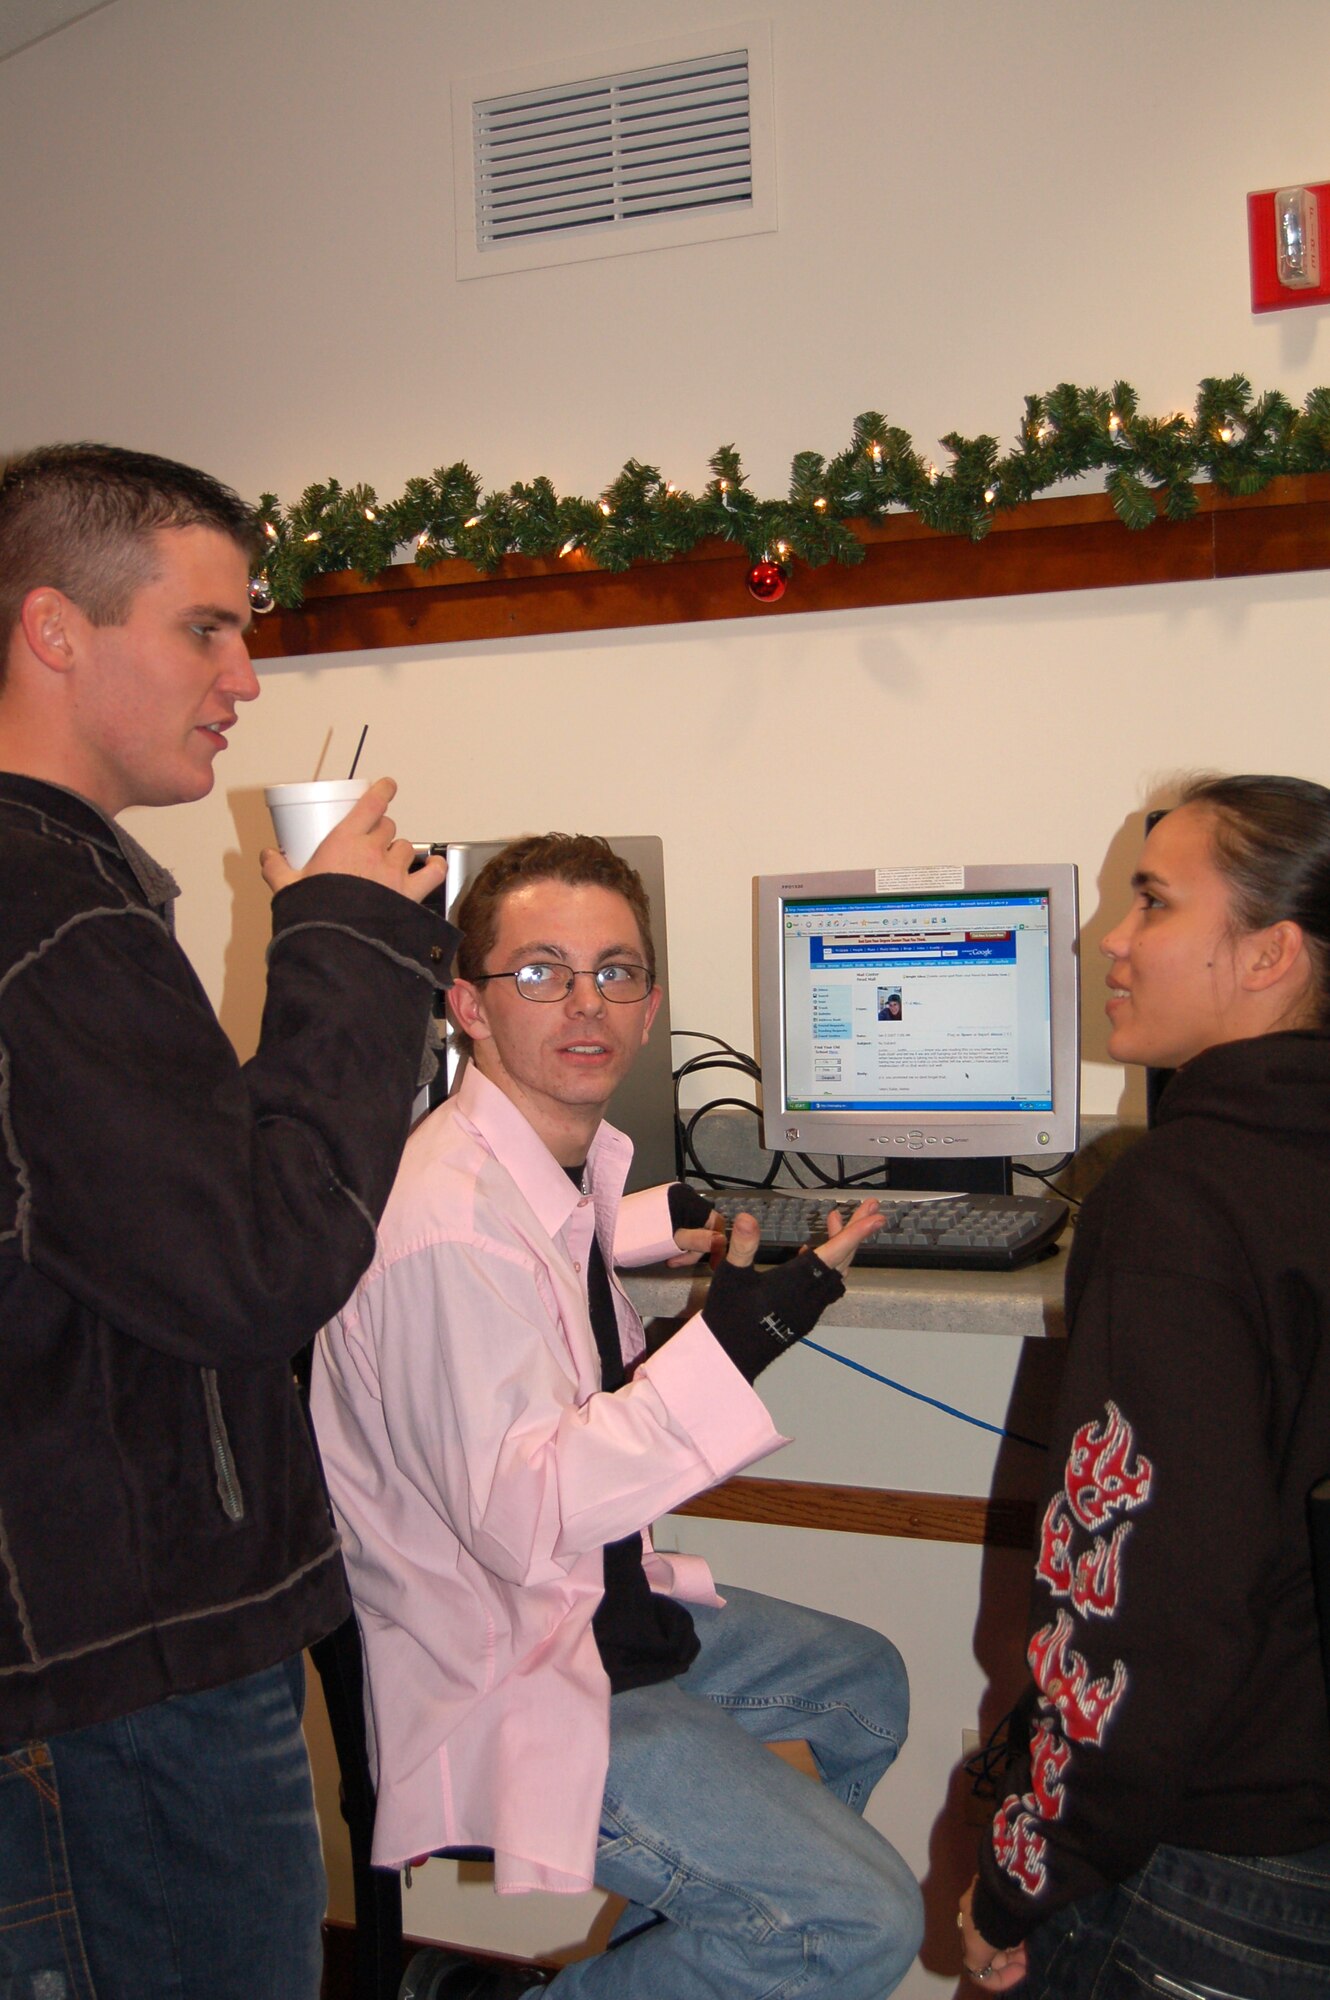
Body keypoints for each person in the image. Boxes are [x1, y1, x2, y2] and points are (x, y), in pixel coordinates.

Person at [312, 833, 925, 2000]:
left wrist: (661, 1218)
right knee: (863, 1920)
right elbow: (527, 1509)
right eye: (539, 972)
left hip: (594, 1604)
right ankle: (768, 1942)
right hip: (499, 1659)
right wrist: (744, 1336)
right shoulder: (445, 1228)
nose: (585, 1002)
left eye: (617, 971)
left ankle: (720, 1948)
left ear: (651, 1009)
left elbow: (556, 1240)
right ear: (469, 1007)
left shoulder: (541, 1160)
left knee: (865, 1684)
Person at [0, 443, 456, 2000]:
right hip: (114, 1680)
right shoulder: (44, 912)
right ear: (54, 630)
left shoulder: (62, 898)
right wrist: (347, 941)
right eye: (205, 628)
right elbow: (259, 1265)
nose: (246, 676)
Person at [958, 774, 1330, 1997]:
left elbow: (1138, 1601)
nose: (1108, 937)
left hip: (1217, 1859)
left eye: (1154, 901)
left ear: (1268, 951)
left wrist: (1025, 1868)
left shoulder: (1182, 1198)